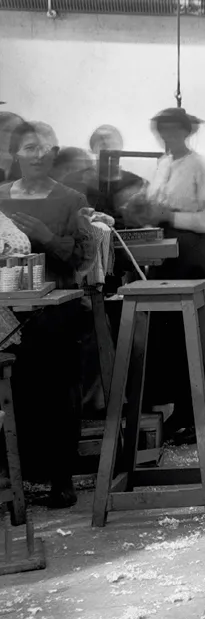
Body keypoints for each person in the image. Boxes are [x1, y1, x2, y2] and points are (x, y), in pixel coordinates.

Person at [122, 107, 205, 443]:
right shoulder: (163, 164)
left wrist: (169, 214)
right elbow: (155, 204)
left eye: (174, 131)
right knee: (170, 338)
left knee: (196, 332)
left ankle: (201, 416)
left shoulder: (201, 166)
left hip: (192, 255)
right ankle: (182, 413)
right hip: (166, 254)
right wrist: (142, 209)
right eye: (162, 131)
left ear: (186, 132)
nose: (168, 137)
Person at [0, 121, 93, 507]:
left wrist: (46, 236)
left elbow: (80, 258)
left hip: (56, 311)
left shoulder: (71, 199)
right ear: (15, 154)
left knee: (57, 390)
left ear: (54, 153)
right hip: (7, 313)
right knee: (11, 391)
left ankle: (61, 478)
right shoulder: (1, 198)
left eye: (44, 147)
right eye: (29, 147)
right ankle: (16, 476)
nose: (37, 154)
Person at [87, 124, 145, 220]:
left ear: (121, 146)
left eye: (112, 140)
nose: (106, 142)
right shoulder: (82, 181)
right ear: (92, 148)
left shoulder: (136, 182)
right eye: (101, 139)